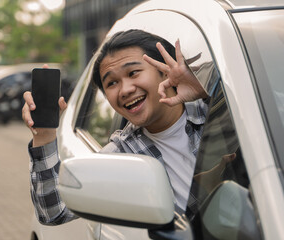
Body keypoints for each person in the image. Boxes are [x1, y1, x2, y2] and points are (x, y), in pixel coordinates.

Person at [22, 29, 209, 225]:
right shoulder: (122, 153)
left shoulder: (219, 109)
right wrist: (44, 135)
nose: (126, 90)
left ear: (164, 71)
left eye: (133, 73)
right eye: (112, 83)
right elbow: (54, 211)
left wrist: (206, 91)